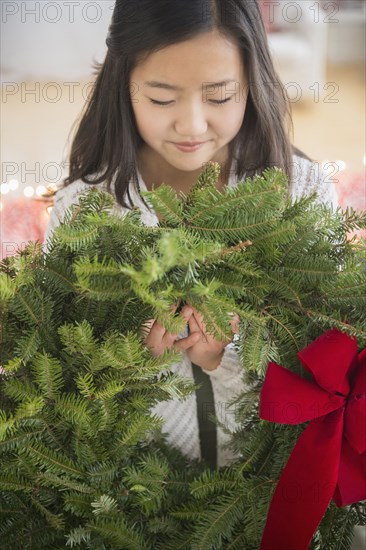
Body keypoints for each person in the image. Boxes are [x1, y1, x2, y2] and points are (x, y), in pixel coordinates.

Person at [44, 0, 338, 469]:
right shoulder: (85, 211)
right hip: (140, 488)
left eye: (219, 96)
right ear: (123, 87)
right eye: (162, 99)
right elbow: (57, 382)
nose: (192, 125)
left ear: (251, 83)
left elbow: (329, 375)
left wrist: (224, 356)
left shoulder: (299, 193)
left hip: (269, 477)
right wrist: (134, 362)